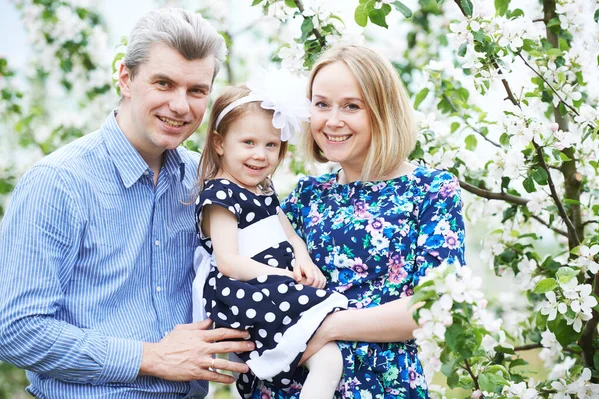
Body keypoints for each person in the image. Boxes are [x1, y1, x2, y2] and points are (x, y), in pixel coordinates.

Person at [0, 8, 254, 399]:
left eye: (197, 90)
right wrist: (148, 357)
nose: (181, 106)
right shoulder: (58, 184)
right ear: (125, 78)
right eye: (164, 84)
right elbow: (17, 330)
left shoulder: (205, 181)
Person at [251, 44, 466, 399]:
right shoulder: (307, 196)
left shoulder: (431, 190)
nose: (332, 121)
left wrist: (325, 327)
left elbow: (433, 305)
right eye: (321, 105)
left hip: (383, 386)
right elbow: (259, 272)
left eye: (351, 106)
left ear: (382, 111)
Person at [192, 74, 348, 399]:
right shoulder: (220, 194)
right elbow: (229, 262)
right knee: (328, 359)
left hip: (275, 284)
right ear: (220, 143)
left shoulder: (262, 189)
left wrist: (303, 261)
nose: (260, 155)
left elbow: (289, 234)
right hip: (248, 290)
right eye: (248, 142)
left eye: (271, 145)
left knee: (327, 360)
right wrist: (284, 277)